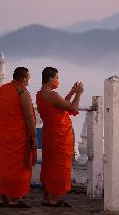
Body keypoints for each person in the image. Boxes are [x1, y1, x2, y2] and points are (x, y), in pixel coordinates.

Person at [36, 67, 84, 207]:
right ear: (51, 79)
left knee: (49, 165)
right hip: (59, 135)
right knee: (59, 167)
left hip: (49, 133)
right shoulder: (52, 95)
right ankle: (54, 199)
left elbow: (60, 106)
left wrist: (71, 92)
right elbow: (73, 108)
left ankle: (46, 197)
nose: (58, 81)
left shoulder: (41, 94)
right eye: (57, 78)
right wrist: (79, 94)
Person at [0, 67, 37, 208]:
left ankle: (3, 197)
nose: (28, 82)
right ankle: (14, 199)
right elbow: (28, 116)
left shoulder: (2, 89)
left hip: (4, 133)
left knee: (5, 165)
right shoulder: (22, 92)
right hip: (18, 135)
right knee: (18, 166)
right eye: (28, 79)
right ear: (23, 78)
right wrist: (34, 135)